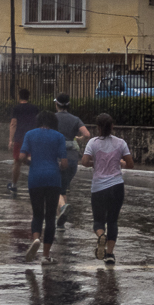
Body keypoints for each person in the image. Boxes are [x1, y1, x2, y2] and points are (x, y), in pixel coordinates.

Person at [81, 113, 134, 265]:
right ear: (112, 126)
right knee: (113, 221)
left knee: (98, 221)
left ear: (98, 128)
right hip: (117, 186)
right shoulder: (120, 143)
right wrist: (121, 163)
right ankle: (110, 254)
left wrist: (95, 163)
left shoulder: (93, 143)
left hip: (98, 188)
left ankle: (100, 235)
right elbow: (130, 164)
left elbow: (84, 162)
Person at [19, 110, 69, 264]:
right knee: (50, 217)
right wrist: (57, 167)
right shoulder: (59, 137)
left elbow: (21, 157)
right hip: (53, 179)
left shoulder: (30, 134)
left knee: (37, 214)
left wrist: (30, 162)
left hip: (35, 178)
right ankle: (46, 256)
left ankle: (35, 240)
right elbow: (65, 163)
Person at [52, 93, 91, 228]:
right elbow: (86, 134)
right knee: (63, 189)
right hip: (73, 159)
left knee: (55, 189)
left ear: (56, 104)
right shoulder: (75, 119)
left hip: (57, 158)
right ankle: (61, 221)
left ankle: (62, 210)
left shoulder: (53, 118)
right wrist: (78, 139)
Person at [7, 88, 40, 195]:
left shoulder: (16, 108)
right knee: (31, 158)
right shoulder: (35, 108)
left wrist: (10, 140)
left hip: (20, 137)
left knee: (17, 162)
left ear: (19, 96)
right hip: (33, 137)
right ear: (28, 96)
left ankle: (14, 185)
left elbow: (13, 123)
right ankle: (36, 183)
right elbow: (38, 122)